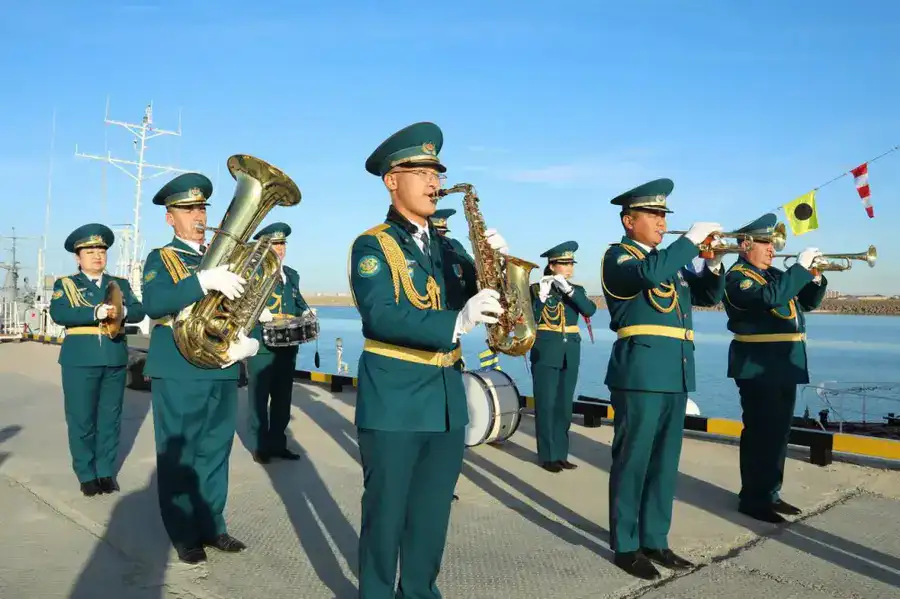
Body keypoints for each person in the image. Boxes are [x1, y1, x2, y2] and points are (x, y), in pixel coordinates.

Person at [350, 121, 508, 598]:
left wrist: (498, 268)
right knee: (386, 514)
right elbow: (380, 315)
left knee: (431, 515)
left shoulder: (450, 248)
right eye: (418, 170)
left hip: (445, 403)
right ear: (391, 180)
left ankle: (418, 592)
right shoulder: (373, 245)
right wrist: (455, 323)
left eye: (436, 171)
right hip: (395, 400)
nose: (433, 180)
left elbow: (488, 300)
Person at [600, 178, 725, 580]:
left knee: (665, 463)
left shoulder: (670, 263)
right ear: (628, 220)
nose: (660, 221)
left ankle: (655, 537)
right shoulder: (618, 258)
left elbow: (706, 296)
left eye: (662, 215)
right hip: (640, 372)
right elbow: (649, 276)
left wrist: (713, 262)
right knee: (633, 460)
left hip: (675, 372)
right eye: (653, 214)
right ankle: (626, 544)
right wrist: (688, 240)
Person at [141, 173, 260, 564]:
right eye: (188, 209)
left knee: (216, 450)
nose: (198, 215)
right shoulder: (163, 258)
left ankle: (213, 526)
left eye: (202, 208)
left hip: (221, 367)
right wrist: (202, 280)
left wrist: (246, 339)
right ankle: (183, 531)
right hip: (178, 368)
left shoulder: (226, 258)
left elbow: (242, 306)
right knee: (181, 454)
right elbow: (156, 304)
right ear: (169, 218)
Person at [722, 213, 827, 523]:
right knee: (760, 432)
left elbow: (806, 302)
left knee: (779, 433)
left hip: (783, 364)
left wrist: (815, 277)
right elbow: (770, 299)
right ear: (745, 244)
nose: (773, 248)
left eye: (773, 243)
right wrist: (797, 269)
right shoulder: (738, 278)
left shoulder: (772, 275)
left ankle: (770, 493)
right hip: (757, 365)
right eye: (766, 242)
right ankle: (753, 499)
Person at [49, 223, 145, 496]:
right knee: (82, 419)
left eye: (101, 250)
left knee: (110, 418)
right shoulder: (66, 285)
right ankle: (86, 473)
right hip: (80, 359)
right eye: (89, 251)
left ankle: (105, 471)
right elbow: (59, 313)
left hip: (114, 356)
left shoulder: (119, 285)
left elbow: (139, 310)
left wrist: (122, 310)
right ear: (77, 257)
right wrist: (95, 312)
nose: (97, 256)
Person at [529, 241, 597, 472]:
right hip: (546, 349)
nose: (569, 269)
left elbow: (589, 310)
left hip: (570, 351)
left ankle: (561, 453)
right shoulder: (536, 290)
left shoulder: (576, 290)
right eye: (564, 264)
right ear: (551, 265)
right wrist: (542, 296)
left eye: (570, 264)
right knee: (546, 403)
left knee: (564, 405)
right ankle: (547, 455)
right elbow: (531, 318)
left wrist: (568, 290)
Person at [246, 221, 310, 464]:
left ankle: (278, 443)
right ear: (264, 246)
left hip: (287, 346)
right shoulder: (253, 273)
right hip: (262, 346)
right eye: (275, 244)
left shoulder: (291, 275)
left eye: (282, 244)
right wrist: (259, 314)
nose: (280, 249)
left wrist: (306, 313)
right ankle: (260, 446)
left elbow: (298, 302)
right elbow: (243, 304)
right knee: (259, 399)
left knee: (283, 399)